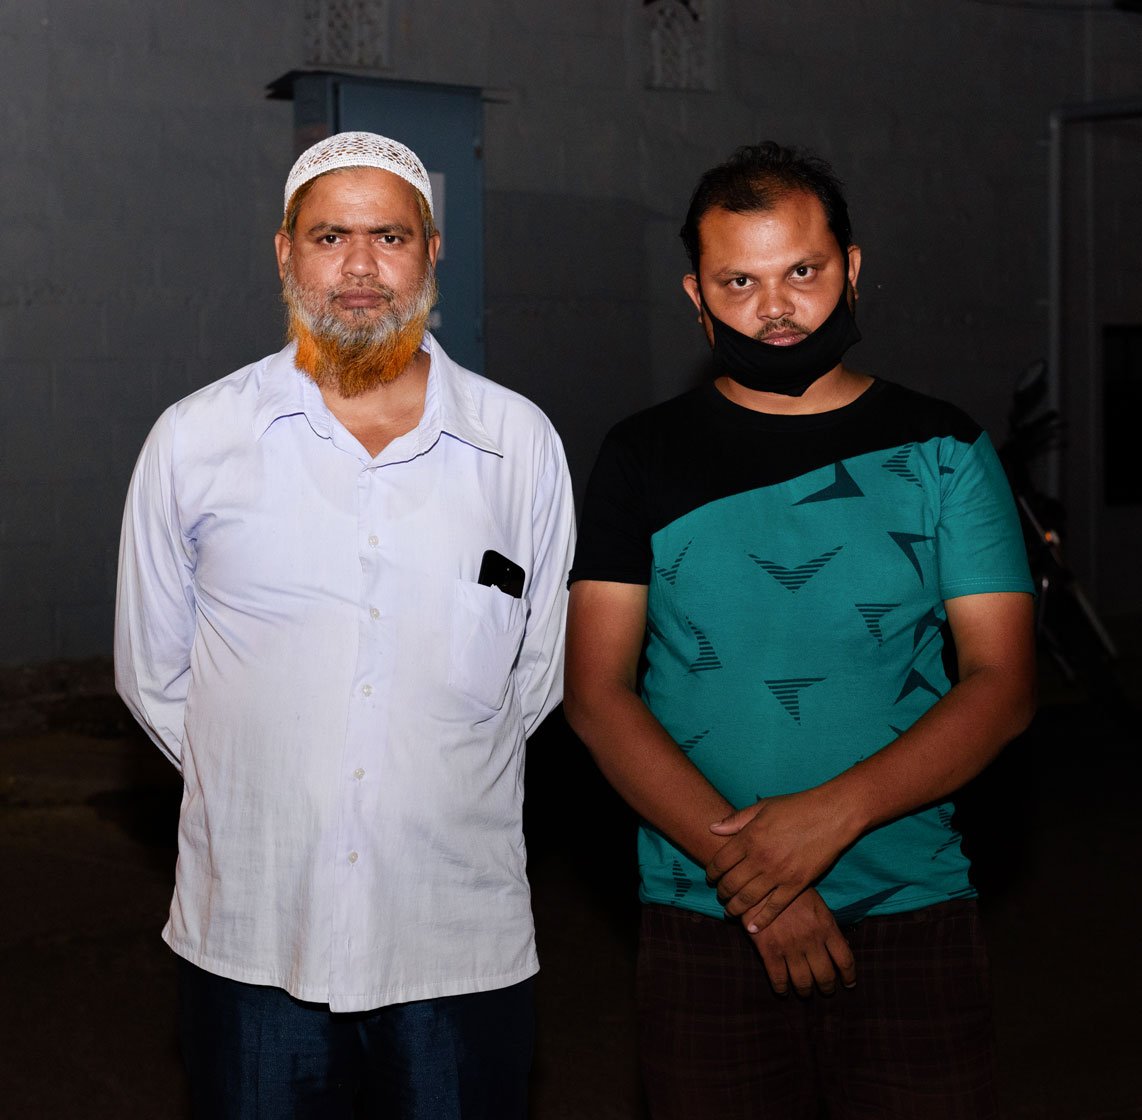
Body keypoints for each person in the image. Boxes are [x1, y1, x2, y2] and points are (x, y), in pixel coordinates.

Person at [564, 141, 1036, 1119]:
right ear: (695, 293)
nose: (772, 306)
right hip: (703, 908)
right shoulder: (639, 454)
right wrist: (760, 882)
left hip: (909, 899)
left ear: (850, 270)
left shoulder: (944, 450)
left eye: (800, 273)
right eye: (738, 280)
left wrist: (832, 814)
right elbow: (596, 694)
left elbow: (1000, 685)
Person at [115, 131, 575, 1119]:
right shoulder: (197, 442)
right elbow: (155, 677)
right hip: (252, 941)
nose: (360, 268)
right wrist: (271, 781)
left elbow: (533, 678)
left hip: (455, 945)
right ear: (284, 252)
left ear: (431, 251)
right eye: (330, 236)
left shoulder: (517, 445)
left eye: (388, 236)